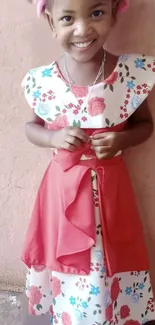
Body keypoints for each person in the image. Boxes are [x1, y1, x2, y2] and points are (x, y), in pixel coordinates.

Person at [22, 0, 155, 324]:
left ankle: (110, 313)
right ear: (52, 24)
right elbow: (31, 128)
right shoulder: (43, 81)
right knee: (69, 258)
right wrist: (53, 138)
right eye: (68, 18)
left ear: (113, 12)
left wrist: (122, 139)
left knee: (108, 256)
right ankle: (72, 313)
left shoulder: (128, 74)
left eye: (96, 13)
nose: (82, 29)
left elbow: (145, 125)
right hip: (62, 194)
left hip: (110, 195)